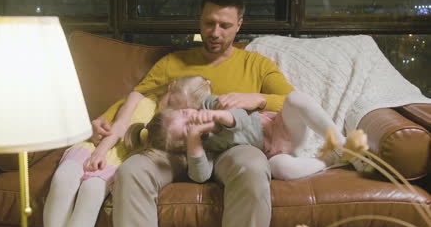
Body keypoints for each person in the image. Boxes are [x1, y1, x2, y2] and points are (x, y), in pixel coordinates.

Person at [94, 0, 295, 227]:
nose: (215, 32)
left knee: (253, 166)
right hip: (172, 148)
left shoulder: (256, 64)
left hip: (231, 146)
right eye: (209, 23)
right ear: (200, 20)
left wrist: (257, 99)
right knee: (131, 171)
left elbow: (292, 101)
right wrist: (107, 122)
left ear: (239, 25)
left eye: (224, 25)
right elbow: (137, 95)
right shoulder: (173, 62)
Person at [123, 75, 369, 182]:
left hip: (282, 126)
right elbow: (201, 176)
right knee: (279, 168)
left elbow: (240, 117)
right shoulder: (204, 148)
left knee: (296, 99)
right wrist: (196, 140)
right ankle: (329, 162)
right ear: (184, 144)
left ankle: (342, 144)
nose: (194, 120)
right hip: (275, 152)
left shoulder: (209, 104)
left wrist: (217, 115)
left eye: (187, 114)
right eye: (187, 129)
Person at [43, 91, 154, 227]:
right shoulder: (139, 98)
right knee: (64, 177)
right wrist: (99, 152)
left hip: (120, 159)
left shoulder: (173, 119)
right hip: (96, 147)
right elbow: (119, 125)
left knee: (92, 190)